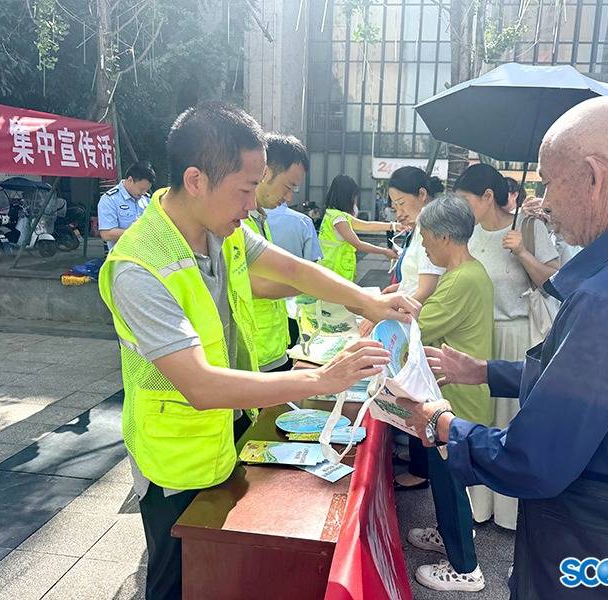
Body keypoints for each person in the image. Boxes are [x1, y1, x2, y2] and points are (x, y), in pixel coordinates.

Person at [97, 102, 419, 600]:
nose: (253, 205)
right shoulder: (138, 267)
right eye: (245, 188)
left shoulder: (220, 230)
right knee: (174, 574)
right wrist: (320, 380)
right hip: (175, 451)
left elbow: (290, 268)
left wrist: (367, 301)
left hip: (229, 426)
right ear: (196, 180)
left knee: (220, 567)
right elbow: (200, 385)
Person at [400, 97, 608, 598]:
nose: (542, 201)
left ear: (593, 177)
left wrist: (443, 424)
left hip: (592, 543)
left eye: (549, 183)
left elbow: (533, 460)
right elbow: (598, 387)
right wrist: (487, 372)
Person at [454, 163, 560, 530]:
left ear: (487, 196)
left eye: (466, 200)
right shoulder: (468, 233)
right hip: (477, 335)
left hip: (516, 336)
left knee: (511, 421)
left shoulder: (528, 226)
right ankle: (478, 506)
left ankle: (511, 513)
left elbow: (555, 280)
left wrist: (523, 253)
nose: (463, 208)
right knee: (480, 417)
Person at [404, 195, 494, 592]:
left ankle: (465, 568)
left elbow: (420, 327)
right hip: (456, 393)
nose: (424, 245)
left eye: (425, 237)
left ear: (443, 236)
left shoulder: (461, 280)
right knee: (445, 479)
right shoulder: (469, 272)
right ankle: (447, 535)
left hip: (455, 400)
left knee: (450, 482)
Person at [379, 166, 446, 492]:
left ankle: (422, 467)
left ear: (422, 195)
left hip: (420, 320)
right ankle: (417, 455)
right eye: (394, 205)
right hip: (409, 317)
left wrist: (393, 305)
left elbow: (427, 287)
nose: (399, 211)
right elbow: (413, 280)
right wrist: (396, 292)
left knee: (418, 390)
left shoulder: (430, 230)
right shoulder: (418, 228)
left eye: (402, 203)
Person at [245, 133, 312, 372]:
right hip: (252, 353)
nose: (289, 197)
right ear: (265, 171)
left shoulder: (259, 218)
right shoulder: (236, 223)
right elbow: (261, 285)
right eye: (288, 186)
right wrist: (316, 286)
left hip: (272, 346)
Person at [318, 175, 398, 281]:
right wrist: (385, 251)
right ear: (346, 197)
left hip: (331, 269)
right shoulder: (338, 219)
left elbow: (367, 225)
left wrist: (394, 226)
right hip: (335, 271)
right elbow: (358, 244)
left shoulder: (333, 214)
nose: (355, 201)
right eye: (354, 197)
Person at [97, 160, 155, 249]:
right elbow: (106, 234)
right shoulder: (110, 199)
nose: (143, 193)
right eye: (141, 189)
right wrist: (137, 233)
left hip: (146, 253)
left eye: (146, 190)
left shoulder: (146, 199)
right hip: (122, 255)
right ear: (130, 180)